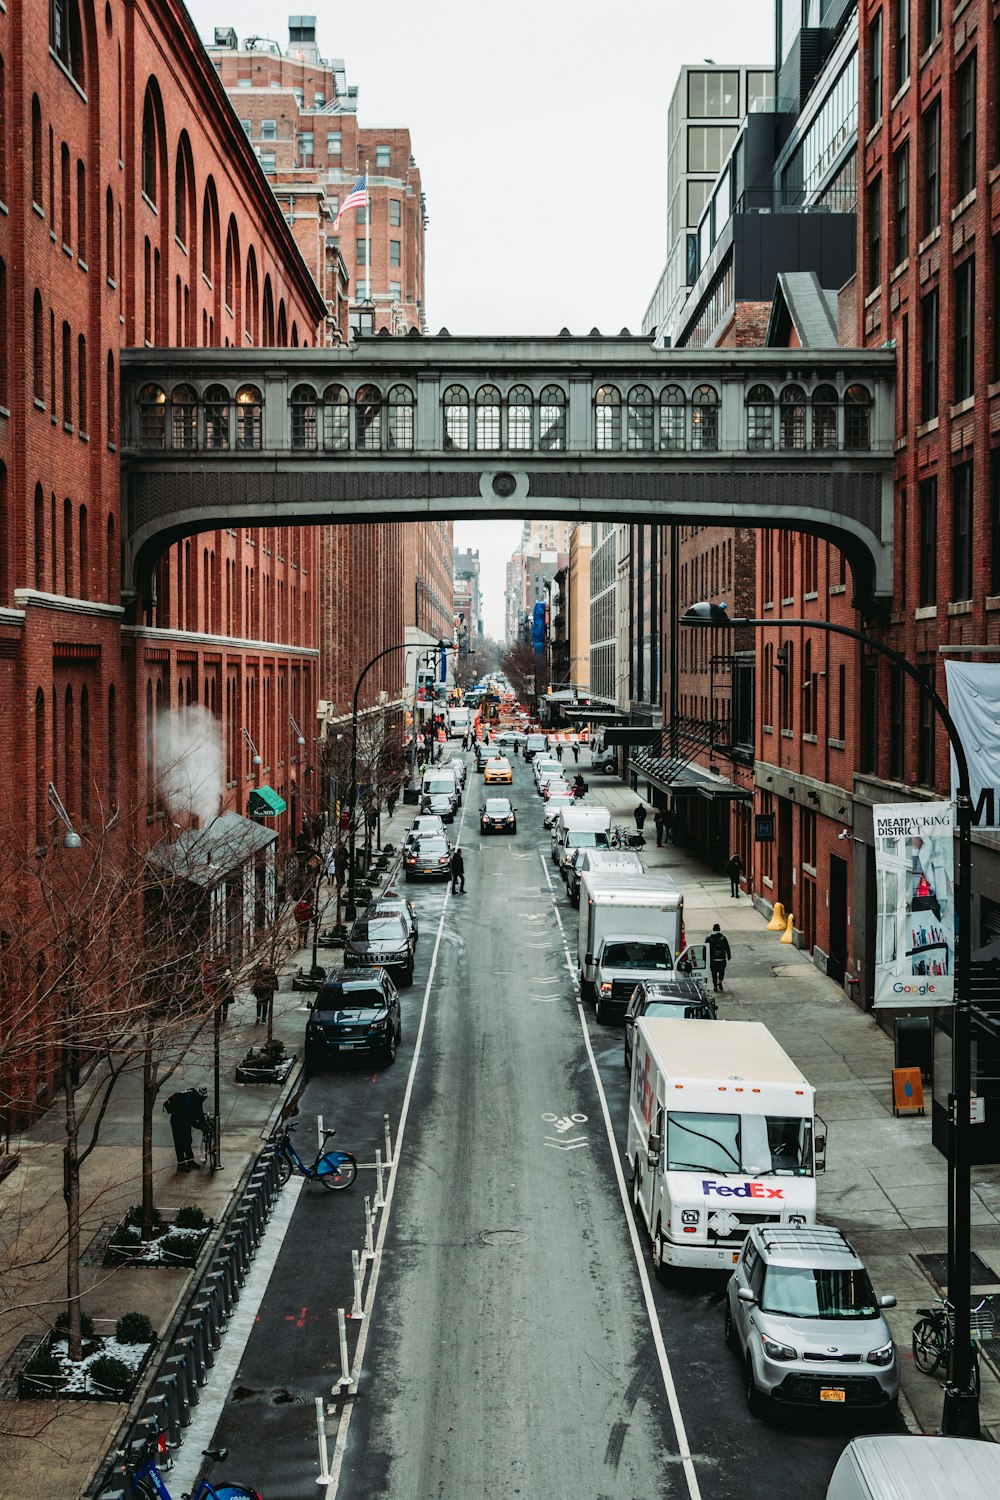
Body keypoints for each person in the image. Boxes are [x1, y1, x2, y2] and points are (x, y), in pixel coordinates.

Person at [164, 1087, 209, 1172]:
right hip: (177, 1121)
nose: (203, 1101)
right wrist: (200, 1126)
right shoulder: (189, 1100)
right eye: (203, 1099)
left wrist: (203, 1124)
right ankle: (181, 1164)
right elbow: (191, 1118)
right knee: (179, 1143)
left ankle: (190, 1161)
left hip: (184, 1121)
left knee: (188, 1140)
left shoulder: (196, 1099)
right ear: (199, 1096)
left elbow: (199, 1113)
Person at [707, 923, 732, 992]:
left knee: (713, 973)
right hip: (722, 959)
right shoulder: (723, 938)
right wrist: (729, 956)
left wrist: (705, 958)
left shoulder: (709, 938)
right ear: (719, 929)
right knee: (721, 971)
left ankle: (715, 985)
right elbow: (727, 948)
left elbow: (705, 949)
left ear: (713, 929)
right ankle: (720, 981)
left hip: (713, 959)